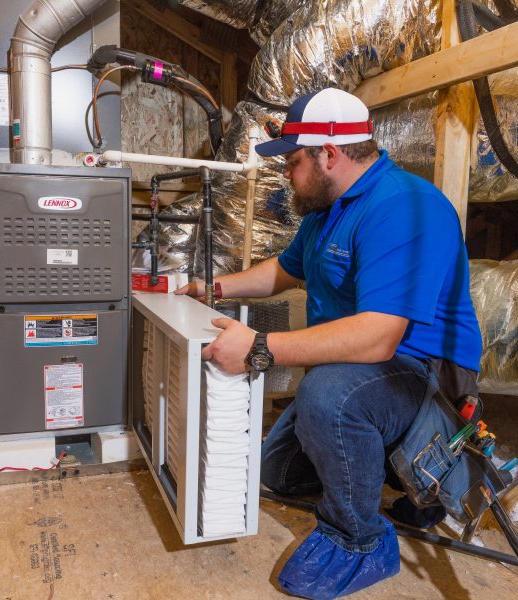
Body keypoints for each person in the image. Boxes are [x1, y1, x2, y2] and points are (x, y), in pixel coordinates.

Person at [175, 87, 482, 599]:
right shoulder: (325, 211)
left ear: (329, 155)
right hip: (361, 371)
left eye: (293, 162)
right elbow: (284, 270)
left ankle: (361, 539)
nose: (287, 175)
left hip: (422, 370)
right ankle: (400, 475)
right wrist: (216, 290)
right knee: (278, 469)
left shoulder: (404, 206)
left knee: (328, 398)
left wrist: (259, 348)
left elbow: (379, 339)